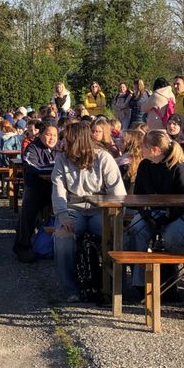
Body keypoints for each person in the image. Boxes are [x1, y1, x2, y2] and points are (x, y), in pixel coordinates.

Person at [51, 123, 126, 301]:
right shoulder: (62, 160)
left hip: (100, 211)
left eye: (66, 139)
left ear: (76, 141)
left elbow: (118, 193)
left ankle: (116, 286)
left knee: (120, 237)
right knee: (62, 237)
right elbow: (58, 191)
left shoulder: (104, 158)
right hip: (73, 209)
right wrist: (62, 215)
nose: (62, 142)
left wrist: (115, 218)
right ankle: (71, 290)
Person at [124, 129, 184, 299]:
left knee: (171, 238)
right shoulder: (145, 165)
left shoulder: (178, 168)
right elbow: (138, 195)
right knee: (136, 231)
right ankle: (139, 283)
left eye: (143, 147)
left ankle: (170, 284)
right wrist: (147, 214)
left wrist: (166, 217)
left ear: (154, 149)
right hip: (149, 212)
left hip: (175, 214)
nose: (141, 150)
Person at [13, 121, 58, 262]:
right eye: (48, 135)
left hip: (56, 188)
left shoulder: (61, 148)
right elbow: (32, 166)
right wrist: (55, 170)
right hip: (36, 187)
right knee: (27, 212)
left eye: (55, 135)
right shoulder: (32, 148)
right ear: (41, 134)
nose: (52, 138)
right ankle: (22, 246)